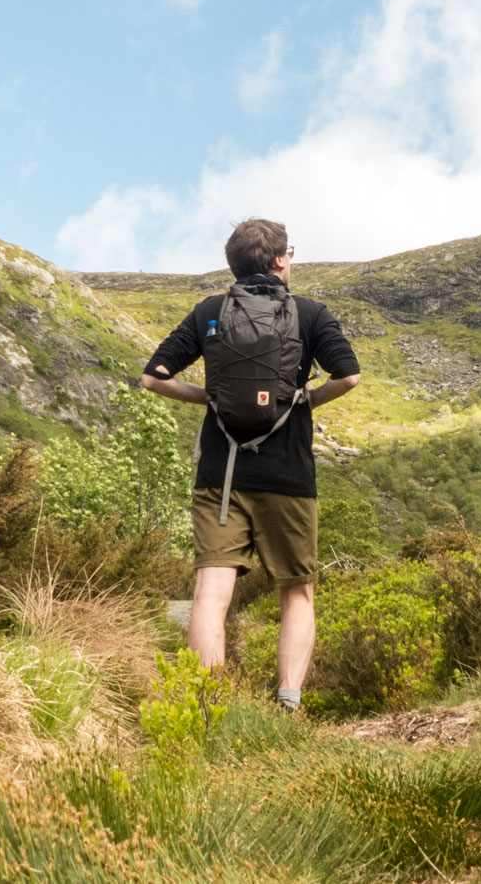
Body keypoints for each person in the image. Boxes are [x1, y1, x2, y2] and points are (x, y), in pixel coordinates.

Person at [138, 218, 361, 711]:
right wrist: (302, 405)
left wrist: (210, 398)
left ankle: (207, 705)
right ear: (281, 260)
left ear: (232, 265)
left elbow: (153, 378)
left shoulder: (209, 312)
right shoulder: (310, 313)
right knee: (297, 594)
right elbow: (348, 377)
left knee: (210, 594)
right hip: (288, 475)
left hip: (221, 476)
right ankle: (287, 701)